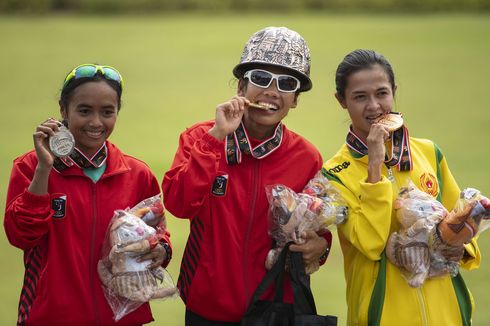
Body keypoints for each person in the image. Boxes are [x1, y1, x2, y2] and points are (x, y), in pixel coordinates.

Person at [162, 26, 332, 325]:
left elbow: (314, 224)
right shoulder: (200, 137)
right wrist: (215, 138)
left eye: (286, 83)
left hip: (276, 307)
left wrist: (322, 246)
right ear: (241, 87)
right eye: (261, 78)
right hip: (207, 308)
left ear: (295, 99)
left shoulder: (307, 157)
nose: (271, 91)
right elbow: (179, 204)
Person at [4, 64, 172, 325]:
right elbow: (20, 235)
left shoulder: (137, 174)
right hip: (52, 317)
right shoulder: (30, 167)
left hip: (122, 318)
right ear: (64, 110)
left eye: (107, 112)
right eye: (84, 111)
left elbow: (157, 235)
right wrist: (44, 169)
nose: (96, 122)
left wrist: (160, 250)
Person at [322, 49, 481, 325]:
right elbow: (371, 243)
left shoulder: (429, 152)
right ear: (342, 101)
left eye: (382, 93)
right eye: (360, 97)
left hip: (447, 313)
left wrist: (459, 244)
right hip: (382, 315)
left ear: (394, 91)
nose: (374, 106)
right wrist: (374, 168)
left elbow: (464, 222)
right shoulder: (335, 173)